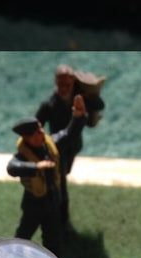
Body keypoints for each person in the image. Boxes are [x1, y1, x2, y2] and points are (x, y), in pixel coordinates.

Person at [6, 95, 86, 258]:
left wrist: (77, 117)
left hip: (52, 202)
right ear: (27, 138)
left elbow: (69, 134)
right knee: (23, 236)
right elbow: (12, 168)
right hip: (34, 205)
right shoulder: (23, 156)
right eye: (36, 133)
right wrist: (36, 167)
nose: (41, 134)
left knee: (53, 240)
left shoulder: (50, 145)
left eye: (41, 129)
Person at [35, 64, 106, 229]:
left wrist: (89, 94)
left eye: (67, 84)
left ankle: (62, 222)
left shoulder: (79, 98)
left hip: (73, 146)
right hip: (57, 149)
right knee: (61, 186)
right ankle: (63, 222)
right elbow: (37, 125)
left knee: (64, 174)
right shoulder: (49, 104)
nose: (64, 88)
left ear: (73, 82)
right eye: (61, 84)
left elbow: (99, 105)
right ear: (56, 82)